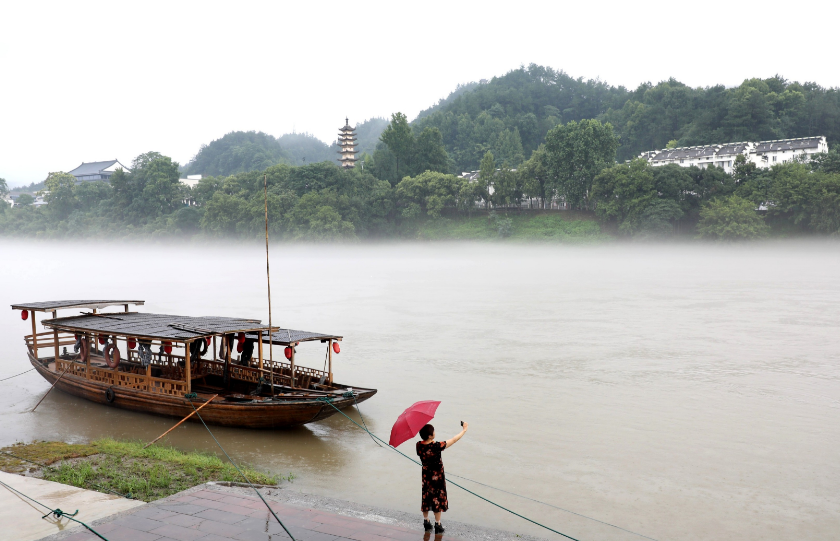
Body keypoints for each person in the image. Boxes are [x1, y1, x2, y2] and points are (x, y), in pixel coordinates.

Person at [416, 421, 468, 534]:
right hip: (437, 478)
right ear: (430, 435)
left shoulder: (418, 445)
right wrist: (464, 430)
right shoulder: (436, 446)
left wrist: (431, 442)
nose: (434, 432)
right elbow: (454, 440)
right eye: (433, 431)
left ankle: (426, 521)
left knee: (426, 497)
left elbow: (426, 448)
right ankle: (438, 524)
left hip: (426, 477)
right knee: (437, 500)